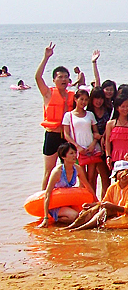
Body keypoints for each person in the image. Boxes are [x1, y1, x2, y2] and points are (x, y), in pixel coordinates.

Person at [35, 43, 75, 190]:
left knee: (68, 170)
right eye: (60, 77)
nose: (63, 79)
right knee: (49, 170)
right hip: (52, 136)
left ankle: (67, 194)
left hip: (66, 137)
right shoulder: (48, 93)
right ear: (54, 80)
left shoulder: (73, 96)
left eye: (66, 77)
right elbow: (37, 77)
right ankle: (44, 195)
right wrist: (46, 57)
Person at [63, 160, 128, 230]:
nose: (124, 175)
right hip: (115, 212)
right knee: (95, 209)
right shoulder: (113, 187)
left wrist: (111, 206)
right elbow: (104, 202)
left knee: (105, 210)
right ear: (115, 175)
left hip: (127, 215)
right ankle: (73, 225)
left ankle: (83, 227)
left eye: (126, 172)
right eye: (120, 172)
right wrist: (92, 205)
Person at [38, 143, 95, 227]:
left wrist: (96, 202)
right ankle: (54, 219)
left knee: (84, 215)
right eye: (71, 153)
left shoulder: (77, 169)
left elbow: (87, 185)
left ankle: (64, 217)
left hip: (68, 201)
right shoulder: (57, 172)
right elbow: (47, 193)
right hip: (56, 204)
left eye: (75, 152)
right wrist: (45, 217)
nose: (74, 155)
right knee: (74, 216)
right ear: (63, 157)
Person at [62, 90, 101, 193]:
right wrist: (77, 147)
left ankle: (92, 200)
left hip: (91, 149)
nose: (84, 102)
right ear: (75, 99)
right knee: (82, 179)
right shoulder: (68, 115)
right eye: (81, 99)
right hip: (78, 150)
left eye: (86, 100)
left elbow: (96, 132)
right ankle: (83, 200)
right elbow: (66, 135)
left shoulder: (90, 114)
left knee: (91, 179)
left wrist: (93, 145)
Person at [104, 96, 128, 165]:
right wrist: (108, 156)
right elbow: (107, 141)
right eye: (122, 106)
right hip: (115, 156)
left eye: (127, 106)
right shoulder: (110, 124)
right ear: (117, 108)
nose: (125, 109)